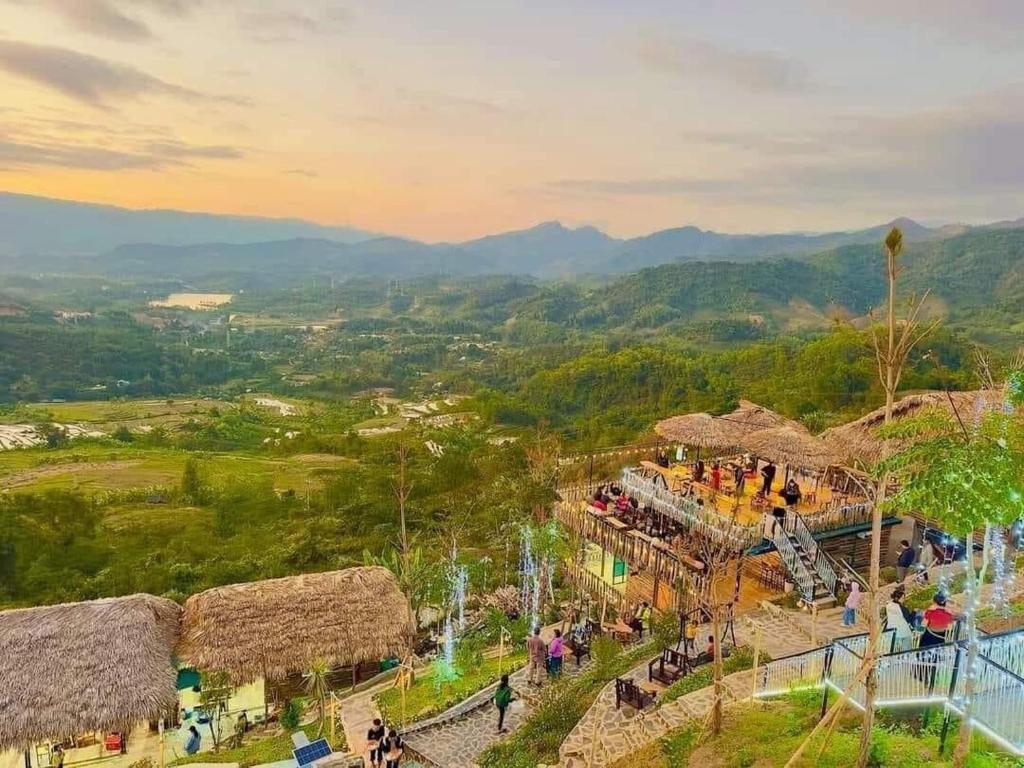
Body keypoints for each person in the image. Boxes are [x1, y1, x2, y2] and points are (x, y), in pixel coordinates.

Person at [884, 585, 915, 651]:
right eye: (903, 597)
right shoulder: (903, 609)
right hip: (904, 631)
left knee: (892, 650)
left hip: (892, 631)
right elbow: (909, 619)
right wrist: (914, 612)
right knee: (906, 651)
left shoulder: (888, 606)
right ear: (900, 598)